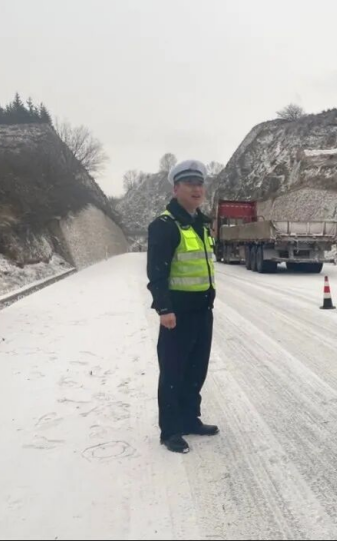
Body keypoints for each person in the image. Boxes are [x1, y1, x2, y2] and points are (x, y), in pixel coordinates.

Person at [146, 159, 219, 454]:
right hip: (177, 314)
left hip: (202, 311)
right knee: (173, 373)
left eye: (200, 184)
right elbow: (157, 272)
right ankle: (171, 430)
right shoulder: (164, 226)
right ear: (176, 189)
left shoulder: (201, 224)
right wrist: (164, 309)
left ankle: (190, 419)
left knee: (196, 370)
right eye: (189, 184)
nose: (196, 189)